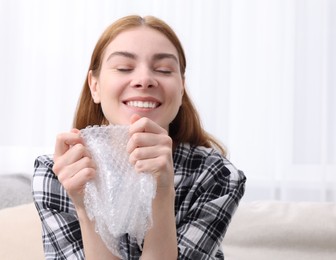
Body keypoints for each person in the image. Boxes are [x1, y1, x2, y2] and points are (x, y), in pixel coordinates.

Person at [32, 14, 246, 260]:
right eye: (124, 68)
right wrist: (85, 205)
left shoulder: (215, 175)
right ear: (95, 86)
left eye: (164, 70)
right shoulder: (56, 173)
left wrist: (162, 190)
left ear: (181, 88)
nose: (144, 80)